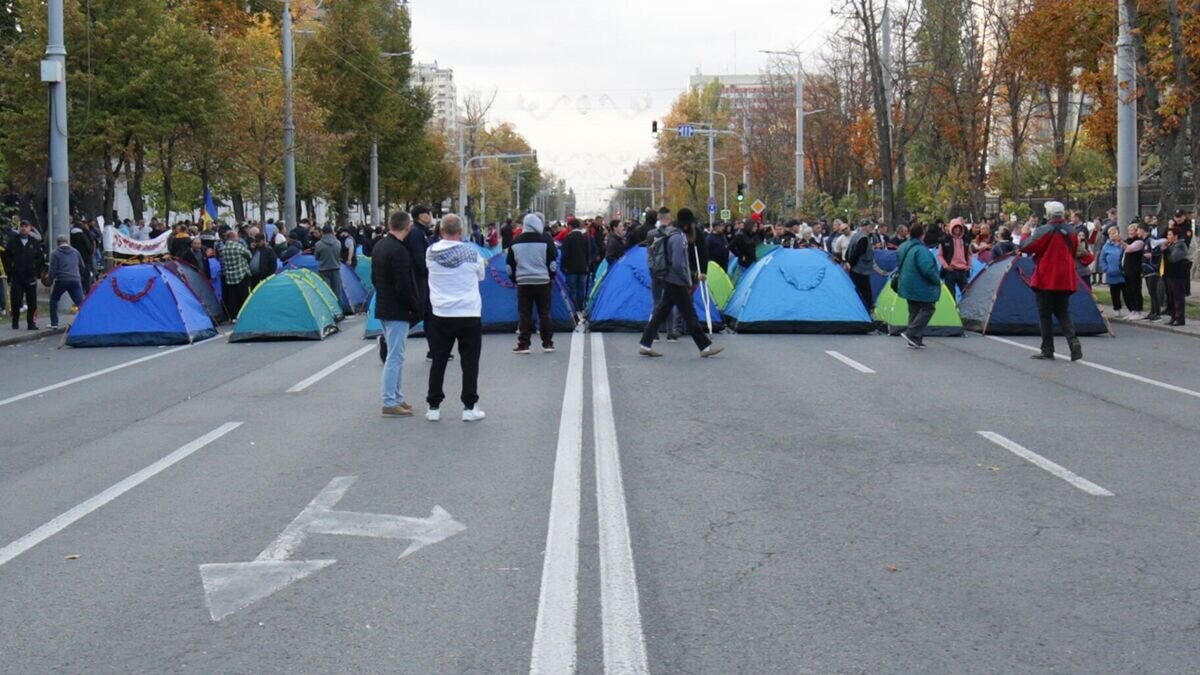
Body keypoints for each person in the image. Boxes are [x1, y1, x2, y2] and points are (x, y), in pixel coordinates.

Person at [637, 208, 723, 358]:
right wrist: (688, 278)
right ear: (687, 224)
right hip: (676, 281)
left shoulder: (670, 234)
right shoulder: (678, 238)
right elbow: (677, 263)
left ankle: (645, 343)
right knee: (689, 314)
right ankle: (704, 347)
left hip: (670, 279)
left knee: (661, 313)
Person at [424, 214, 486, 422]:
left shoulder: (431, 252)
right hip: (468, 312)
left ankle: (433, 406)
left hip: (441, 312)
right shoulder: (472, 253)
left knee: (439, 360)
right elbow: (481, 276)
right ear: (461, 231)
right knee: (470, 362)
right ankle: (469, 407)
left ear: (441, 231)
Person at [373, 211, 423, 417]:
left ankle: (397, 397)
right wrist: (414, 306)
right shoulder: (400, 251)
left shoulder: (380, 246)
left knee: (396, 355)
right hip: (398, 309)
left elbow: (374, 278)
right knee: (395, 357)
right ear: (407, 227)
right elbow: (404, 285)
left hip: (384, 304)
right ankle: (389, 400)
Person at [1020, 201, 1083, 361]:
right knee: (1063, 312)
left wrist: (1025, 234)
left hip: (1046, 277)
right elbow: (1074, 250)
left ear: (1048, 214)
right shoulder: (1072, 231)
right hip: (1065, 277)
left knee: (1045, 314)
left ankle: (1047, 349)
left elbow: (1026, 247)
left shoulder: (1043, 230)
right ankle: (1073, 341)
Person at [507, 213, 559, 353]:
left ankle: (524, 344)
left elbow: (510, 265)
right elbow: (552, 262)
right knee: (545, 312)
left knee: (525, 313)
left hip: (523, 282)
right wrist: (551, 277)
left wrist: (514, 279)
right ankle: (547, 343)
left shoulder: (515, 242)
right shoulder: (545, 240)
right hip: (543, 281)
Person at [896, 223, 941, 349]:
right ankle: (911, 333)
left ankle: (914, 340)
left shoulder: (903, 246)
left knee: (914, 310)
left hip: (906, 283)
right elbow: (927, 269)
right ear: (922, 234)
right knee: (928, 308)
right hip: (920, 284)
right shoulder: (921, 250)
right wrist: (936, 280)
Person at [4, 221, 44, 330]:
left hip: (30, 276)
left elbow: (40, 258)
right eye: (22, 226)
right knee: (16, 300)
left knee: (32, 301)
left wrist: (35, 267)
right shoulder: (13, 242)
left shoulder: (34, 242)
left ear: (30, 228)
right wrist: (11, 268)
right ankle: (15, 320)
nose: (23, 228)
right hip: (17, 276)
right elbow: (6, 257)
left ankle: (31, 323)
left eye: (26, 226)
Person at [47, 234, 87, 329]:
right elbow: (82, 266)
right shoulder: (75, 252)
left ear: (58, 243)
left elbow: (53, 270)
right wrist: (79, 275)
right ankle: (86, 321)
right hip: (75, 279)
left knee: (54, 299)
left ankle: (54, 323)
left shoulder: (55, 253)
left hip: (62, 279)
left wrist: (50, 279)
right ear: (67, 242)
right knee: (80, 302)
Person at [219, 229, 252, 319]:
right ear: (233, 237)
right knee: (244, 296)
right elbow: (249, 255)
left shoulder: (223, 248)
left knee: (233, 298)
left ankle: (234, 316)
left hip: (230, 276)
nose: (238, 238)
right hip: (241, 274)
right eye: (237, 236)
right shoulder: (237, 246)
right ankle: (245, 315)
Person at [560, 217, 590, 314]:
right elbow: (588, 251)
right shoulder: (585, 237)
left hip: (570, 268)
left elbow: (564, 254)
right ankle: (580, 307)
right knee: (581, 288)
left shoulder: (568, 237)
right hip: (582, 267)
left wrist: (563, 266)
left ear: (570, 226)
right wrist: (587, 264)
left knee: (572, 289)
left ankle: (573, 308)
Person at [313, 225, 346, 312]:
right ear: (332, 232)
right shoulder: (338, 243)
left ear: (322, 232)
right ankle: (339, 311)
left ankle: (329, 311)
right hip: (336, 269)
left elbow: (316, 257)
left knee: (326, 292)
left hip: (323, 270)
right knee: (337, 292)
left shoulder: (318, 244)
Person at [845, 222, 875, 313]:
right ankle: (867, 309)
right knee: (865, 291)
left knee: (856, 290)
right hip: (861, 269)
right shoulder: (864, 239)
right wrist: (850, 263)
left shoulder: (855, 236)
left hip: (853, 269)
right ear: (866, 227)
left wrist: (848, 262)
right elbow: (857, 253)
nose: (872, 229)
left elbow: (848, 251)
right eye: (870, 227)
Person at [1163, 227, 1190, 326]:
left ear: (1176, 236)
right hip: (1170, 275)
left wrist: (1166, 250)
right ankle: (1173, 317)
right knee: (1171, 298)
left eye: (1170, 235)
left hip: (1178, 276)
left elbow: (1173, 258)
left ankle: (1180, 318)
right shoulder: (1171, 245)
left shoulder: (1180, 246)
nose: (1167, 237)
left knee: (1178, 298)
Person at [939, 218, 972, 298]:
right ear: (951, 228)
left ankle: (966, 306)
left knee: (966, 294)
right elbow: (939, 255)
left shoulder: (966, 240)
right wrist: (946, 266)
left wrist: (969, 265)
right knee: (951, 295)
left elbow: (969, 254)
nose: (957, 229)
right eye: (955, 227)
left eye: (959, 227)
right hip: (950, 271)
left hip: (963, 271)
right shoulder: (944, 240)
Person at [1099, 226, 1127, 317]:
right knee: (1115, 293)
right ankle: (1117, 309)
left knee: (1126, 292)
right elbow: (1102, 259)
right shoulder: (1106, 246)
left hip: (1123, 273)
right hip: (1112, 274)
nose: (1114, 235)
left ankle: (1131, 309)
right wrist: (1106, 269)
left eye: (1115, 233)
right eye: (1111, 234)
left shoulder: (1122, 244)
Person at [1121, 222, 1145, 318]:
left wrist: (1120, 241)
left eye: (1132, 230)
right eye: (1128, 230)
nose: (1130, 232)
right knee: (1129, 291)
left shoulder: (1139, 241)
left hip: (1134, 270)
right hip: (1127, 270)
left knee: (1135, 290)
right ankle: (1133, 310)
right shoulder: (1128, 240)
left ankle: (1138, 310)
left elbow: (1129, 248)